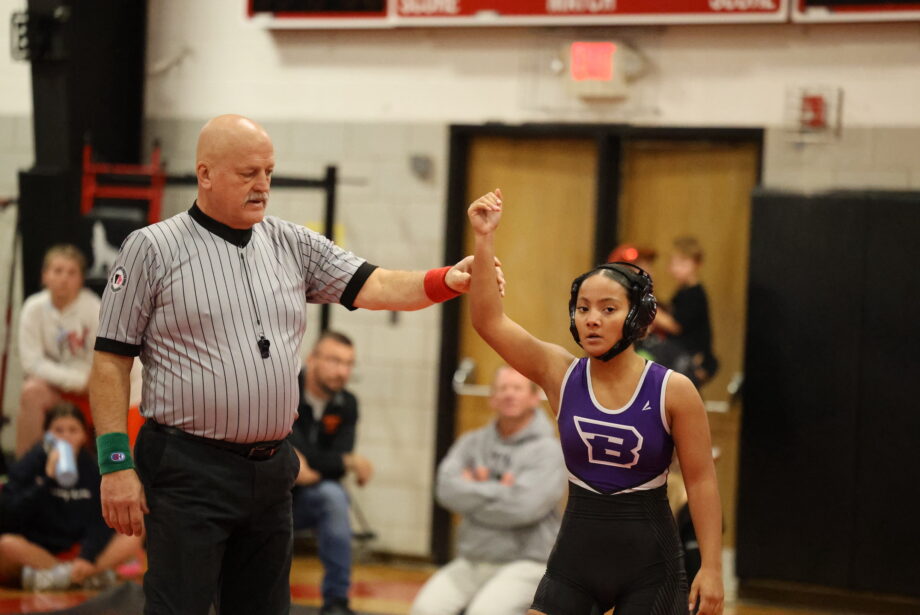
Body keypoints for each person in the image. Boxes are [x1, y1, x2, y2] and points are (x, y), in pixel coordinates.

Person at [88, 114, 504, 615]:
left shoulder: (291, 242)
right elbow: (110, 362)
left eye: (268, 171)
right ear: (205, 174)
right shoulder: (152, 249)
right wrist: (115, 464)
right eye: (247, 173)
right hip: (186, 468)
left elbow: (375, 285)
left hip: (269, 470)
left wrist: (447, 279)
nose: (262, 184)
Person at [467, 189, 724, 615]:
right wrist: (483, 239)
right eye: (583, 308)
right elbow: (488, 321)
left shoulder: (673, 389)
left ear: (637, 317)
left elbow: (701, 481)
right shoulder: (560, 373)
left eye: (608, 309)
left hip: (652, 567)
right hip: (575, 561)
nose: (592, 318)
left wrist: (711, 568)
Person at [411, 366, 566, 615]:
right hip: (472, 560)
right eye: (502, 388)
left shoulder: (549, 451)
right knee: (424, 609)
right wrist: (502, 490)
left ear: (534, 397)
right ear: (492, 398)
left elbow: (524, 509)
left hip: (527, 564)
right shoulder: (472, 443)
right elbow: (445, 490)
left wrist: (474, 490)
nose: (509, 395)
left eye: (517, 388)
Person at [16, 245, 142, 458]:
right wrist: (77, 381)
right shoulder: (33, 308)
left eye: (71, 272)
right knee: (31, 391)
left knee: (128, 452)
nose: (64, 278)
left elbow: (109, 360)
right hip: (72, 386)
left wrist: (91, 383)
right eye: (57, 271)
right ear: (44, 275)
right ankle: (25, 476)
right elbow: (32, 363)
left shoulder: (95, 308)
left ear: (81, 279)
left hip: (109, 388)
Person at [0, 403, 142, 591]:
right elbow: (9, 515)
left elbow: (101, 521)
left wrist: (87, 557)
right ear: (46, 436)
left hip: (80, 550)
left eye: (73, 430)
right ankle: (85, 578)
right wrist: (46, 480)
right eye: (58, 431)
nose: (66, 437)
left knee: (132, 537)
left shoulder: (92, 467)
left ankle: (65, 577)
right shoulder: (32, 463)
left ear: (83, 436)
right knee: (7, 545)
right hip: (38, 550)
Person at [289, 331, 372, 615]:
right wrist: (346, 460)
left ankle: (337, 602)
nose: (342, 371)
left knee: (334, 497)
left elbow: (329, 466)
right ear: (311, 359)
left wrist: (339, 461)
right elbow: (296, 449)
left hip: (309, 495)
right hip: (268, 490)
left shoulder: (347, 403)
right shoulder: (286, 390)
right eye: (335, 361)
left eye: (349, 364)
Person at [651, 236, 718, 387]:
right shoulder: (683, 291)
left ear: (697, 264)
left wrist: (648, 309)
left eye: (682, 263)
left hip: (691, 358)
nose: (675, 268)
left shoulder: (694, 293)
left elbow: (676, 325)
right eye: (673, 263)